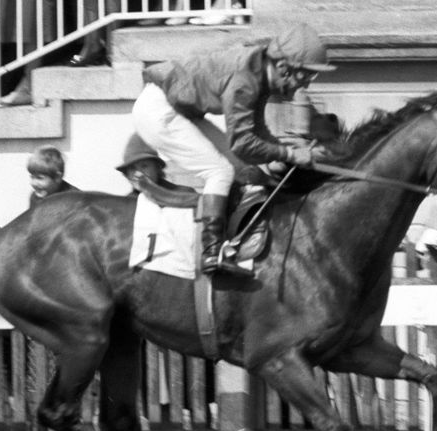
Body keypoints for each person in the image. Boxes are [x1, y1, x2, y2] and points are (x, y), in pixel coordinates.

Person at [133, 23, 335, 276]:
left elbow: (256, 131)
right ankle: (212, 251)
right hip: (158, 111)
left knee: (244, 170)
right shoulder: (245, 81)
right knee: (220, 172)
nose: (304, 86)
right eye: (305, 76)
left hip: (180, 109)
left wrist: (284, 153)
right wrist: (290, 154)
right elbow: (242, 143)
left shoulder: (260, 73)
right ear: (284, 67)